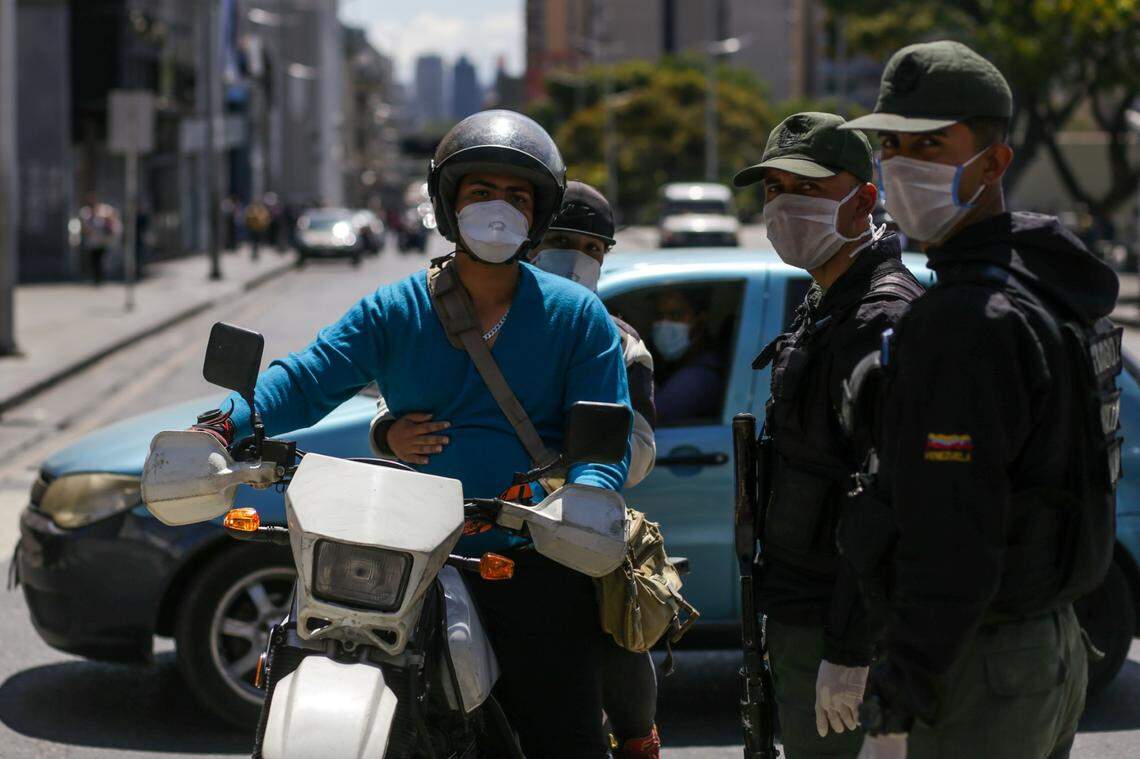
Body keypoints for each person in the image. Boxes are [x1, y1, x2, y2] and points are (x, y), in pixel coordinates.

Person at [192, 110, 632, 759]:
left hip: (530, 555)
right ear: (448, 204)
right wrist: (222, 425)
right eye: (481, 192)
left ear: (538, 212)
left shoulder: (578, 316)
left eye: (516, 196)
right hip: (405, 561)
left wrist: (586, 495)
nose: (498, 210)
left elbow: (605, 433)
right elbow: (308, 377)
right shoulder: (394, 308)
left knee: (565, 735)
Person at [837, 41, 1120, 759]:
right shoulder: (1036, 282)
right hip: (1046, 647)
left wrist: (903, 686)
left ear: (993, 163)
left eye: (930, 144)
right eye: (891, 145)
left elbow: (954, 532)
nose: (902, 165)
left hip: (975, 664)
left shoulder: (967, 319)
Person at [373, 179, 662, 757]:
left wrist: (579, 465)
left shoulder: (615, 341)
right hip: (452, 541)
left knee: (611, 643)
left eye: (592, 248)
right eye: (562, 242)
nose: (577, 258)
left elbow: (637, 451)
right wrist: (389, 433)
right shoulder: (461, 316)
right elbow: (393, 401)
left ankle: (637, 739)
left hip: (563, 539)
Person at [734, 112, 924, 759]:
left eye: (808, 188)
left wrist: (850, 649)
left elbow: (892, 504)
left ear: (864, 200)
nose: (784, 205)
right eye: (775, 189)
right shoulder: (827, 301)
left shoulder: (879, 317)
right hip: (802, 610)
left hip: (836, 626)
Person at [652, 288, 723, 424]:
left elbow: (644, 423)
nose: (664, 324)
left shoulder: (698, 377)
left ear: (700, 320)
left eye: (675, 315)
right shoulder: (681, 365)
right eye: (660, 316)